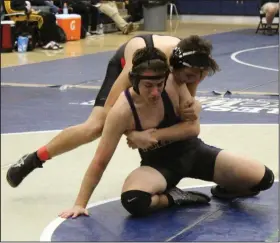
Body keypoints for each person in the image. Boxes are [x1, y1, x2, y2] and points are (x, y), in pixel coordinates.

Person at [59, 47, 274, 219]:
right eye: (148, 85)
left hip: (194, 153)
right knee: (134, 201)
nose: (154, 92)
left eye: (159, 84)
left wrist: (152, 136)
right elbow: (100, 160)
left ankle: (226, 190)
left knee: (264, 179)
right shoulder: (122, 111)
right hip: (158, 166)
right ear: (134, 81)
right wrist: (80, 203)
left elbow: (192, 127)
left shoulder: (173, 84)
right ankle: (174, 198)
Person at [6, 35, 215, 188]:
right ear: (175, 68)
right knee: (96, 126)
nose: (195, 80)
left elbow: (187, 107)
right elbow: (113, 111)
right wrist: (132, 133)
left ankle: (165, 173)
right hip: (126, 63)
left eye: (199, 76)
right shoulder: (140, 64)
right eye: (189, 76)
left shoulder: (193, 66)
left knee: (176, 113)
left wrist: (193, 107)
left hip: (163, 64)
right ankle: (35, 158)